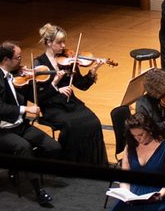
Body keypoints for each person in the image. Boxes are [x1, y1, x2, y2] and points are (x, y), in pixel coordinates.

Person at [0, 41, 56, 205]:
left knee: (53, 147)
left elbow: (33, 94)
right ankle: (38, 190)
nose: (21, 61)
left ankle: (18, 166)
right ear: (6, 60)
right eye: (18, 58)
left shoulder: (17, 76)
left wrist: (52, 82)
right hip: (1, 132)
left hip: (20, 126)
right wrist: (25, 109)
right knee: (24, 147)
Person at [30, 23, 107, 166]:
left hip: (70, 103)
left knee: (94, 122)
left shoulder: (68, 60)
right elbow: (38, 97)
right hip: (52, 106)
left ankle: (93, 163)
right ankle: (69, 163)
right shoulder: (39, 64)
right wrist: (55, 85)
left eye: (64, 41)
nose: (63, 45)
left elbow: (82, 85)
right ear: (48, 42)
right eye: (59, 42)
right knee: (72, 125)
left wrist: (94, 69)